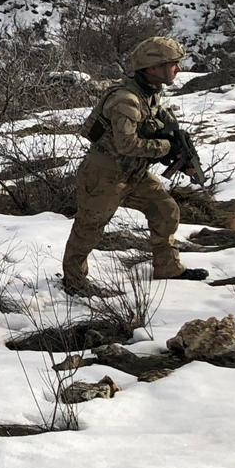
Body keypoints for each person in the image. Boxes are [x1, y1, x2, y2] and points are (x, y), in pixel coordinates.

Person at [60, 37, 209, 296]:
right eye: (172, 64)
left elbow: (152, 130)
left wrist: (176, 153)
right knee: (90, 227)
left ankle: (167, 267)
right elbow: (126, 144)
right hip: (104, 174)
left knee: (165, 209)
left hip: (132, 172)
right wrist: (164, 148)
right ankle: (74, 282)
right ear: (152, 68)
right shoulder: (126, 100)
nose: (178, 69)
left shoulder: (149, 93)